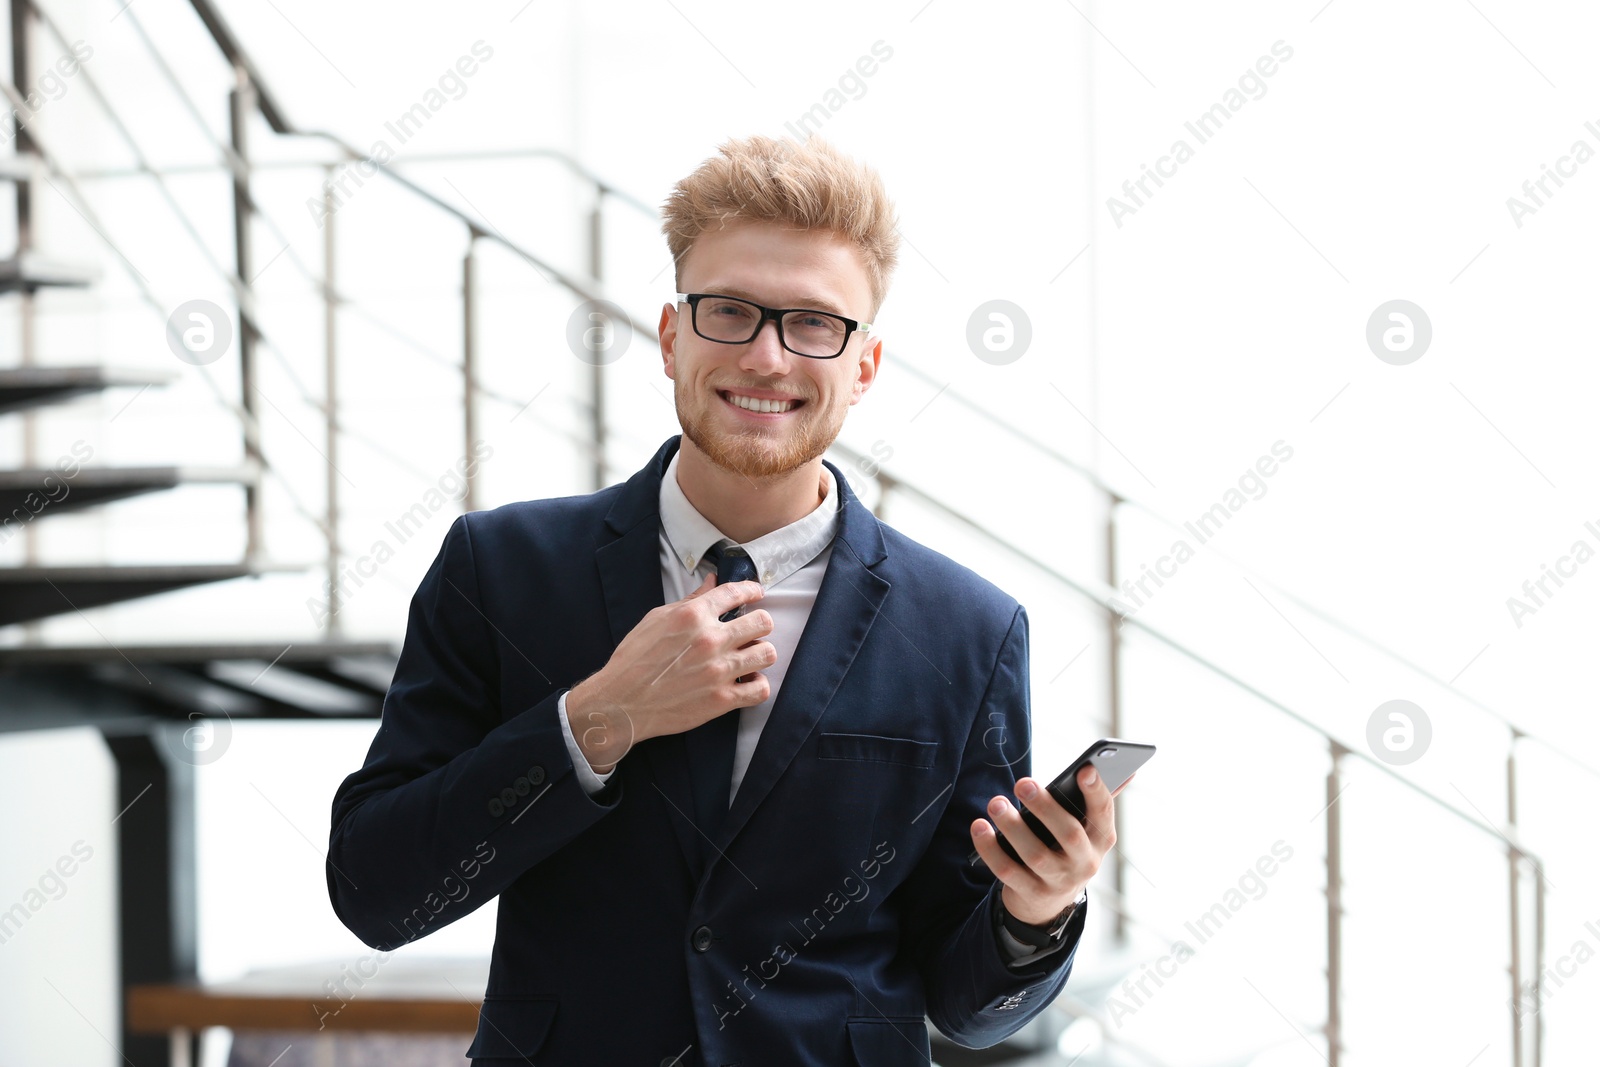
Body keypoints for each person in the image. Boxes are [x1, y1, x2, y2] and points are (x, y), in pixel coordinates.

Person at [326, 133, 1129, 1066]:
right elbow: (377, 893)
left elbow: (966, 1005)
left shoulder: (966, 631)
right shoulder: (499, 568)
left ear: (863, 366)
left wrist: (1034, 911)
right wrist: (597, 717)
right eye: (731, 312)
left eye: (814, 324)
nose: (767, 356)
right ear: (672, 338)